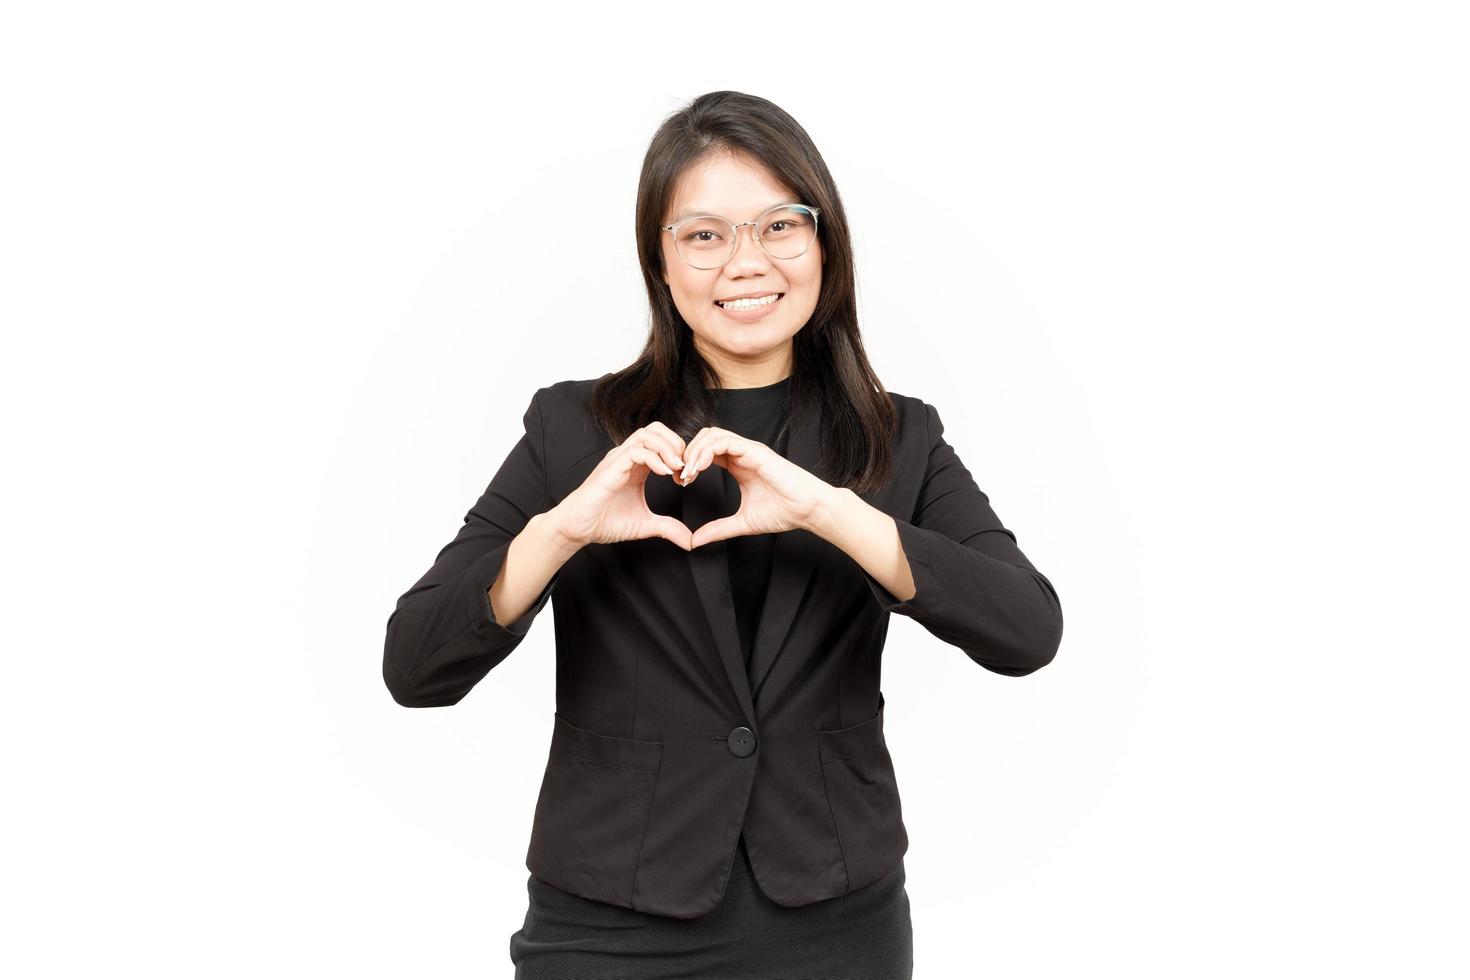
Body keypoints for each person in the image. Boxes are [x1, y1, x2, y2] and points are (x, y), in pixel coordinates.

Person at [382, 90, 1064, 979]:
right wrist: (562, 531)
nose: (746, 261)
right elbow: (415, 666)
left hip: (836, 925)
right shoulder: (575, 432)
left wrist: (832, 511)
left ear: (824, 245)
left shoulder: (900, 437)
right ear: (660, 263)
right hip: (607, 926)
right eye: (703, 235)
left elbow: (1027, 630)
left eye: (780, 225)